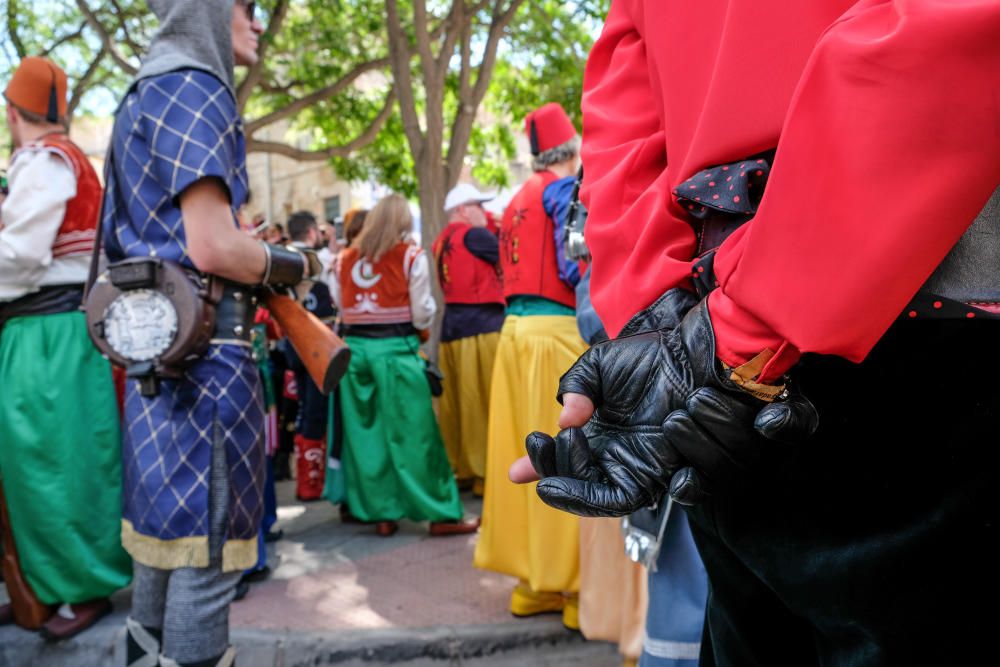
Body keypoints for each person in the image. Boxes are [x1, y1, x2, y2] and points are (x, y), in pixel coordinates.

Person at [514, 1, 1000, 665]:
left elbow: (623, 109)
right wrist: (707, 340)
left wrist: (664, 322)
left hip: (730, 348)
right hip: (903, 334)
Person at [102, 2, 314, 665]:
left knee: (163, 554)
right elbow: (213, 246)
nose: (256, 22)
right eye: (246, 7)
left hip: (156, 358)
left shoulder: (144, 88)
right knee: (206, 558)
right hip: (206, 362)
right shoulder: (194, 82)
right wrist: (294, 265)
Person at [0, 55, 131, 640]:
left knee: (59, 463)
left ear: (11, 110)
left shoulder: (47, 160)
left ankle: (83, 584)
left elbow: (21, 256)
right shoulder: (58, 160)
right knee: (34, 466)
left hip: (50, 330)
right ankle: (43, 584)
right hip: (42, 330)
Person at [473, 102, 587, 629]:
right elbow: (577, 260)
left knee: (520, 454)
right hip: (554, 332)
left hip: (514, 333)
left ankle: (530, 584)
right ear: (572, 149)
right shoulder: (560, 189)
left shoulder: (517, 196)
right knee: (567, 453)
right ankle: (575, 590)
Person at [332, 194, 479, 538]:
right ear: (401, 222)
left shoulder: (342, 261)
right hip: (396, 351)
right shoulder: (411, 256)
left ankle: (382, 513)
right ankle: (440, 512)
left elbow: (340, 306)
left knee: (368, 437)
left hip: (355, 355)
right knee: (417, 435)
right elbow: (422, 312)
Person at [432, 183, 505, 496]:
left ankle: (459, 467)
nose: (484, 212)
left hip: (452, 328)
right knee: (482, 401)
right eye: (478, 205)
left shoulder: (439, 241)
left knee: (457, 405)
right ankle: (483, 473)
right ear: (463, 209)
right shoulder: (475, 235)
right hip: (482, 325)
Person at [283, 210, 334, 501]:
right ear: (312, 232)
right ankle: (312, 483)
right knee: (316, 410)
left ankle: (306, 480)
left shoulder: (279, 259)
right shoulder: (322, 261)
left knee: (303, 410)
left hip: (292, 346)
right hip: (318, 345)